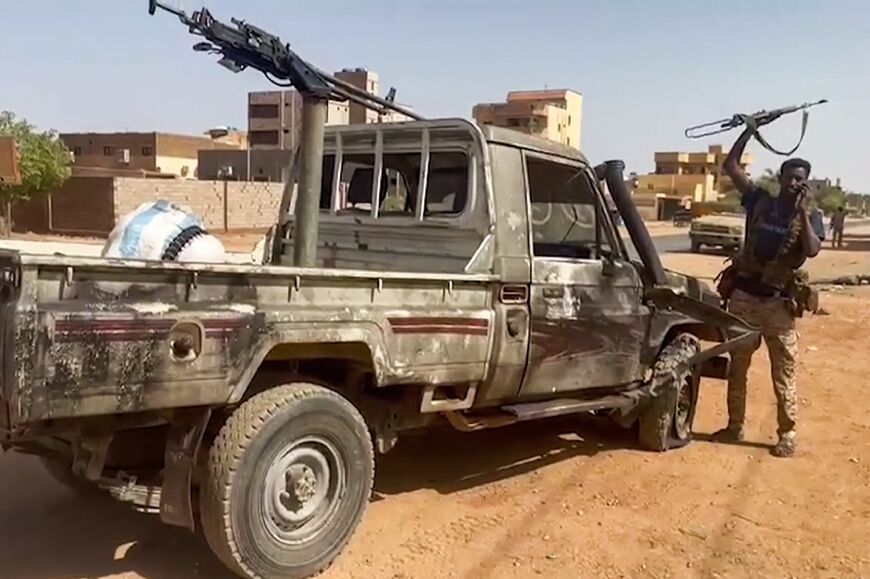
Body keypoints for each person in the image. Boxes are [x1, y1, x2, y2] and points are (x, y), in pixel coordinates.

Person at [713, 117, 821, 458]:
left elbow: (813, 249)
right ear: (780, 179)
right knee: (738, 368)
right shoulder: (760, 200)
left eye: (800, 180)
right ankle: (734, 427)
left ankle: (787, 434)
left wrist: (802, 212)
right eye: (789, 178)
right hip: (745, 298)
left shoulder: (808, 216)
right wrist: (750, 129)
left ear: (806, 184)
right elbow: (730, 165)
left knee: (783, 374)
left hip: (777, 307)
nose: (793, 184)